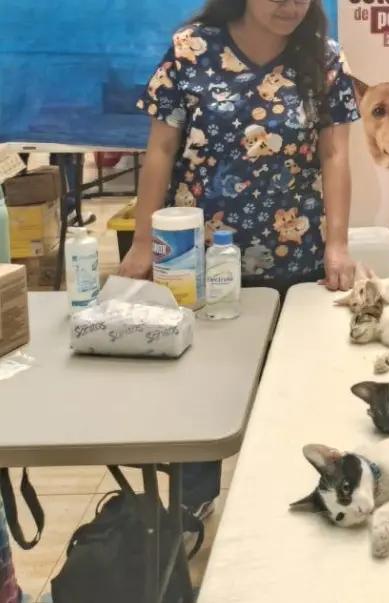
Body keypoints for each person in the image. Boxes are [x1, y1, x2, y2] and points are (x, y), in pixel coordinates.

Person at [123, 0, 360, 522]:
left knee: (289, 391)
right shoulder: (193, 50)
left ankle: (289, 507)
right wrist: (144, 242)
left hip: (292, 261)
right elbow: (161, 150)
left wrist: (337, 245)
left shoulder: (323, 58)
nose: (289, 6)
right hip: (196, 263)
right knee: (201, 392)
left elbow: (335, 155)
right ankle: (191, 509)